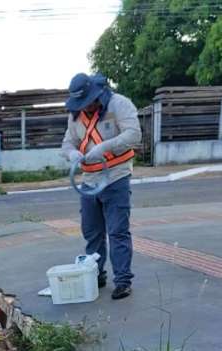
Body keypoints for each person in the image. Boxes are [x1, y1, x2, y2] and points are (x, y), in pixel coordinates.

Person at [61, 73, 142, 300]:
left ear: (96, 95)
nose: (83, 107)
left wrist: (106, 146)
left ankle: (123, 281)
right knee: (92, 232)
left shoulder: (119, 104)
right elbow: (67, 142)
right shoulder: (75, 115)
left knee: (117, 231)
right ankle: (95, 274)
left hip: (116, 176)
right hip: (88, 180)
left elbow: (134, 134)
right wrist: (72, 153)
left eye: (86, 102)